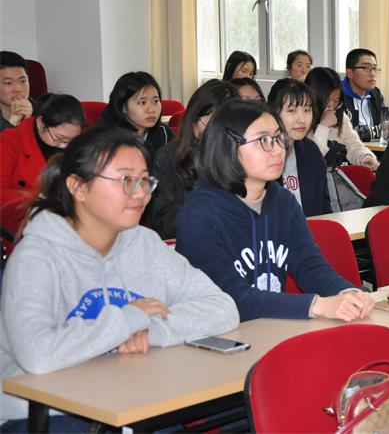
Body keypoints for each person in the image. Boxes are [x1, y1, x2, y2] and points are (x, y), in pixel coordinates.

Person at [0, 126, 239, 430]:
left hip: (130, 398)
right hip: (46, 414)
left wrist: (150, 331)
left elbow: (222, 307)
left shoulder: (144, 243)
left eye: (144, 181)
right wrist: (128, 319)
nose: (140, 193)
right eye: (126, 180)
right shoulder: (36, 256)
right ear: (78, 186)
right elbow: (38, 355)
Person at [176, 98, 373, 321]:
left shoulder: (282, 201)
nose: (278, 150)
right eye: (263, 140)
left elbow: (309, 264)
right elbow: (230, 297)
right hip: (214, 333)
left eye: (279, 138)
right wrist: (316, 305)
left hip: (269, 328)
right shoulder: (199, 216)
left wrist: (347, 292)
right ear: (228, 146)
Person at [149, 80, 239, 239]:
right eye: (210, 123)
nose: (215, 132)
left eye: (224, 126)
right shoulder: (167, 157)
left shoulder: (240, 157)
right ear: (194, 118)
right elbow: (164, 223)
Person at [1, 94, 85, 240]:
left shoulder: (79, 143)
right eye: (59, 139)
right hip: (23, 227)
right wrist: (42, 200)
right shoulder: (9, 142)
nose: (65, 146)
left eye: (71, 140)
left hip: (71, 222)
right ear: (40, 124)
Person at [267, 79, 331, 216]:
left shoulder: (310, 150)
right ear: (273, 112)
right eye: (292, 110)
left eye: (307, 110)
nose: (302, 120)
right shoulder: (262, 154)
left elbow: (324, 209)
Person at [305, 67, 379, 170]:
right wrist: (323, 126)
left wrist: (364, 157)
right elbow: (312, 161)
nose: (332, 106)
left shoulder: (340, 116)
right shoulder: (301, 120)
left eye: (336, 101)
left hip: (335, 175)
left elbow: (353, 145)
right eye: (327, 100)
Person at [97, 72, 174, 160]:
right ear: (123, 107)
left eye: (155, 101)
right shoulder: (105, 138)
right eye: (142, 102)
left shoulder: (163, 132)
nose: (151, 110)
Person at [341, 48, 389, 141]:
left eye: (374, 68)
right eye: (366, 68)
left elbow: (385, 125)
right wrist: (377, 131)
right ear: (350, 73)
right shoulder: (338, 96)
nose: (373, 74)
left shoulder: (375, 94)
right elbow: (342, 133)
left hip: (373, 148)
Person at [0, 51, 34, 132]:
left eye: (22, 81)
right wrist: (12, 122)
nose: (18, 89)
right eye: (8, 83)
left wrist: (30, 122)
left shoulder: (45, 113)